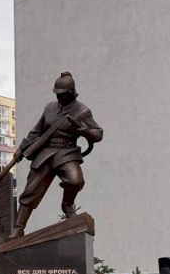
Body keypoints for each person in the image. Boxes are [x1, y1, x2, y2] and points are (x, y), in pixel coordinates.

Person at [8, 72, 103, 238]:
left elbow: (98, 134)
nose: (59, 97)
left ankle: (67, 205)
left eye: (63, 94)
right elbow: (36, 131)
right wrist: (21, 150)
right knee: (31, 190)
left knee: (75, 181)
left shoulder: (82, 111)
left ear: (71, 93)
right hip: (46, 152)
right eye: (57, 94)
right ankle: (19, 227)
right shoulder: (49, 108)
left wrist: (83, 130)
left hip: (66, 152)